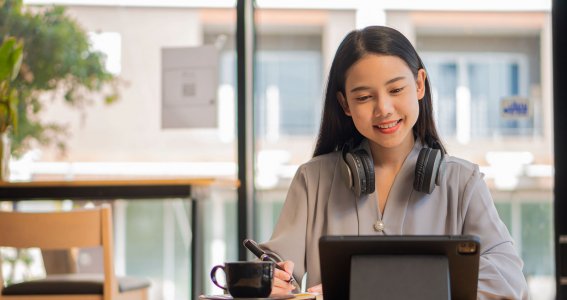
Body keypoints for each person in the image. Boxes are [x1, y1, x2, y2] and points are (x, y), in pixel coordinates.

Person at [260, 25, 529, 299]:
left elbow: (508, 280)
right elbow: (276, 272)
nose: (384, 109)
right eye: (364, 97)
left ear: (419, 84)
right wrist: (271, 282)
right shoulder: (313, 179)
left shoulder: (462, 182)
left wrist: (379, 287)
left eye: (396, 89)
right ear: (345, 104)